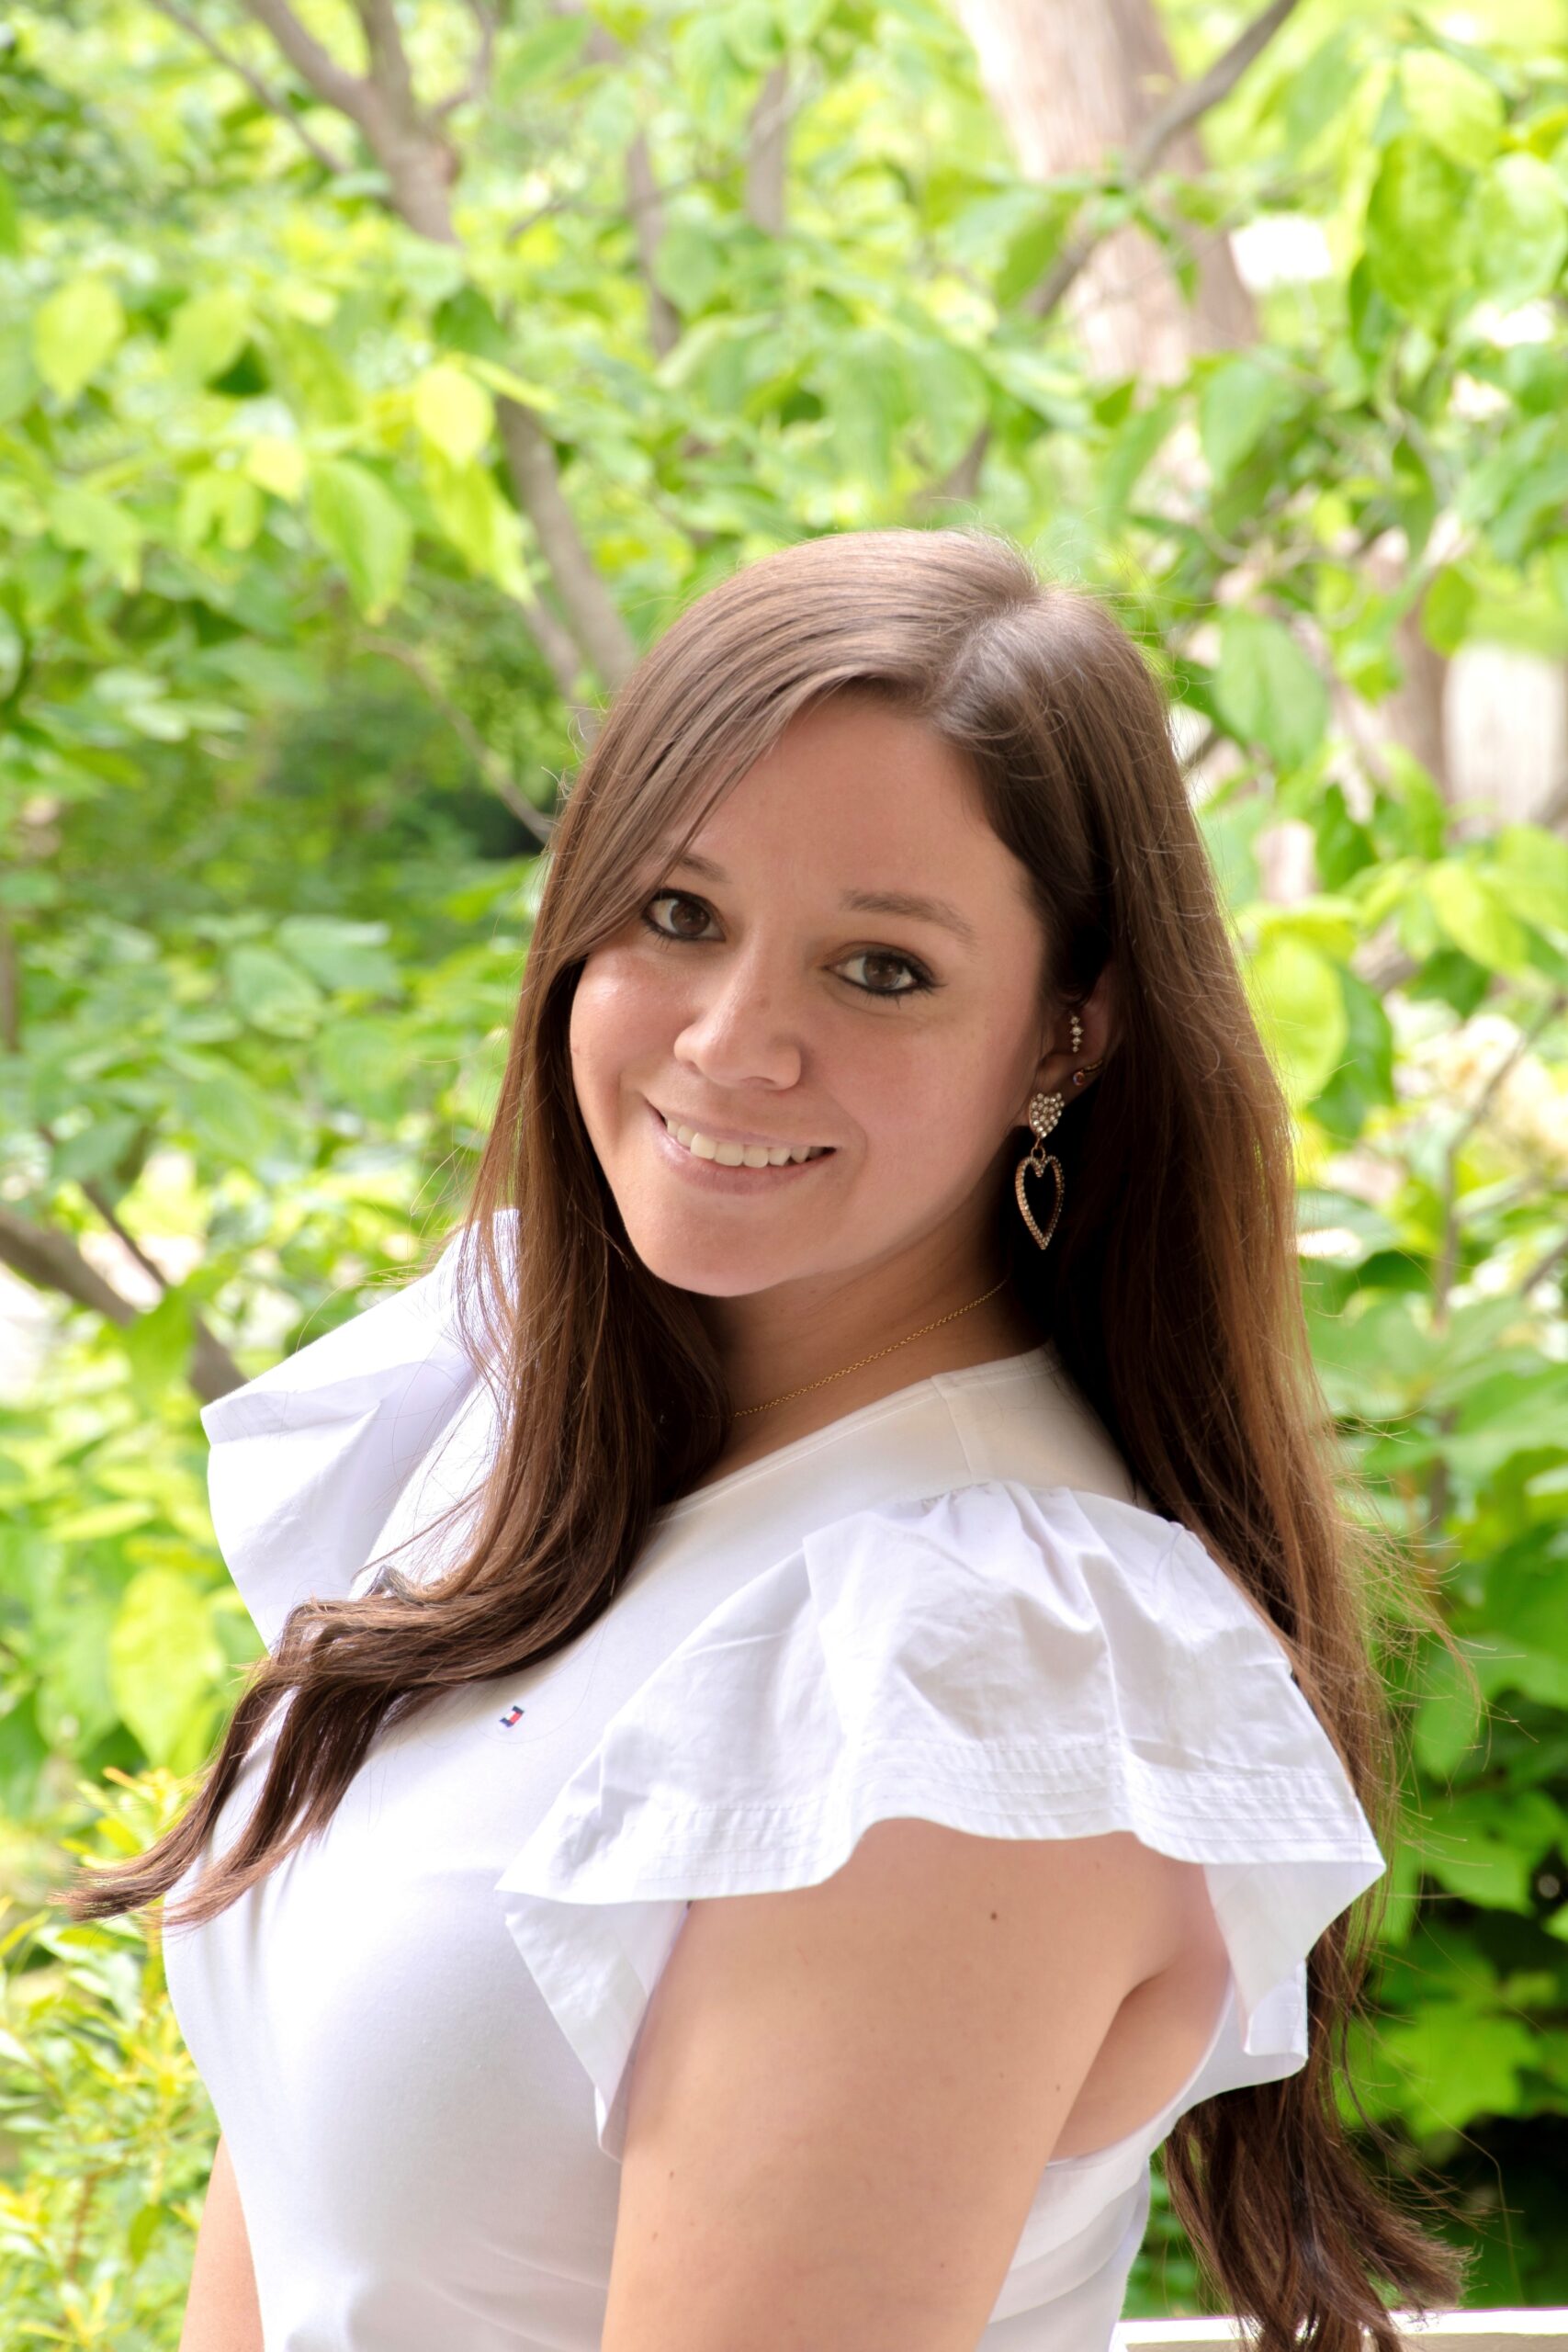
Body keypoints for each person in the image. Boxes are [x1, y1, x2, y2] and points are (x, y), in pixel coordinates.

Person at [62, 528, 1463, 2352]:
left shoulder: (970, 1664)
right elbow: (293, 2228)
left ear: (1068, 1030)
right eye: (676, 914)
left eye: (877, 969)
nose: (731, 1044)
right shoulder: (512, 1418)